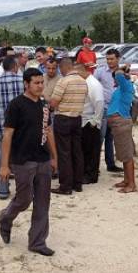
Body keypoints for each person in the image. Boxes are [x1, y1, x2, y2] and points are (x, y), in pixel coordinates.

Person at [0, 68, 58, 257]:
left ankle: (37, 241)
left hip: (43, 160)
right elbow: (7, 134)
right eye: (36, 83)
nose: (40, 86)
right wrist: (4, 165)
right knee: (24, 199)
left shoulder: (44, 105)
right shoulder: (16, 105)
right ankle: (6, 218)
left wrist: (54, 157)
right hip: (22, 160)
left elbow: (48, 131)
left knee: (42, 202)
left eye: (42, 82)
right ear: (26, 84)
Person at [0, 56, 24, 199]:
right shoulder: (23, 83)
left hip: (2, 130)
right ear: (14, 67)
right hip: (22, 130)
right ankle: (23, 190)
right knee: (22, 159)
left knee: (2, 159)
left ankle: (3, 190)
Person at [49, 58, 88, 195]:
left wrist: (50, 107)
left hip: (63, 118)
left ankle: (65, 186)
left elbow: (53, 103)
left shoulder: (63, 81)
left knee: (64, 153)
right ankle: (78, 183)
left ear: (63, 67)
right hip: (77, 118)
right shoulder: (83, 81)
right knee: (77, 151)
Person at [106, 65, 137, 193]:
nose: (115, 80)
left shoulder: (126, 86)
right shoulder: (121, 88)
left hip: (121, 122)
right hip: (118, 123)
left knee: (127, 154)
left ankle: (131, 184)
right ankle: (127, 180)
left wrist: (122, 68)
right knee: (123, 153)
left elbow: (118, 74)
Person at [95, 48, 124, 173]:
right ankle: (94, 165)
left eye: (112, 59)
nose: (109, 61)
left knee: (110, 138)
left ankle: (110, 164)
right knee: (99, 138)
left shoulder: (122, 73)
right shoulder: (100, 72)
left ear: (118, 59)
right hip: (104, 109)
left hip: (116, 110)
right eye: (107, 59)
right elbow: (92, 86)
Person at [75, 65, 104, 184]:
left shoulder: (93, 84)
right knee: (86, 150)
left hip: (90, 122)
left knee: (92, 151)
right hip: (84, 121)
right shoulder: (85, 82)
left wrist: (95, 121)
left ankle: (91, 176)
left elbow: (99, 102)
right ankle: (86, 173)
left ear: (83, 71)